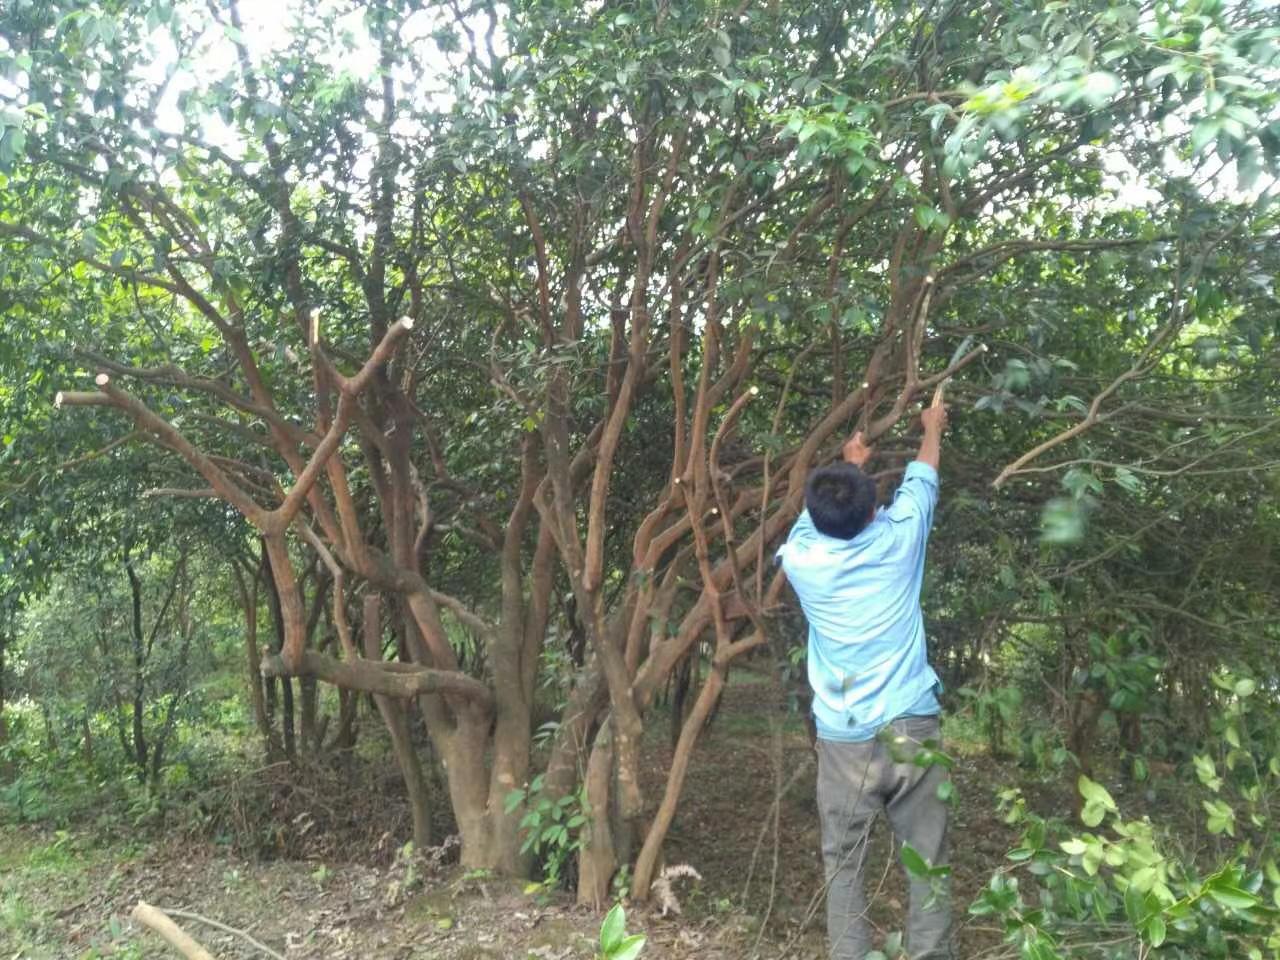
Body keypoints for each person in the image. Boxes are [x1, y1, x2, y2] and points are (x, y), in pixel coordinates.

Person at [777, 400, 952, 960]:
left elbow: (815, 519)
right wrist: (932, 429)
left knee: (844, 864)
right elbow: (923, 478)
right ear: (874, 508)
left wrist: (848, 467)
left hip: (844, 737)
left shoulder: (801, 561)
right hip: (911, 724)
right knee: (927, 858)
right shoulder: (900, 542)